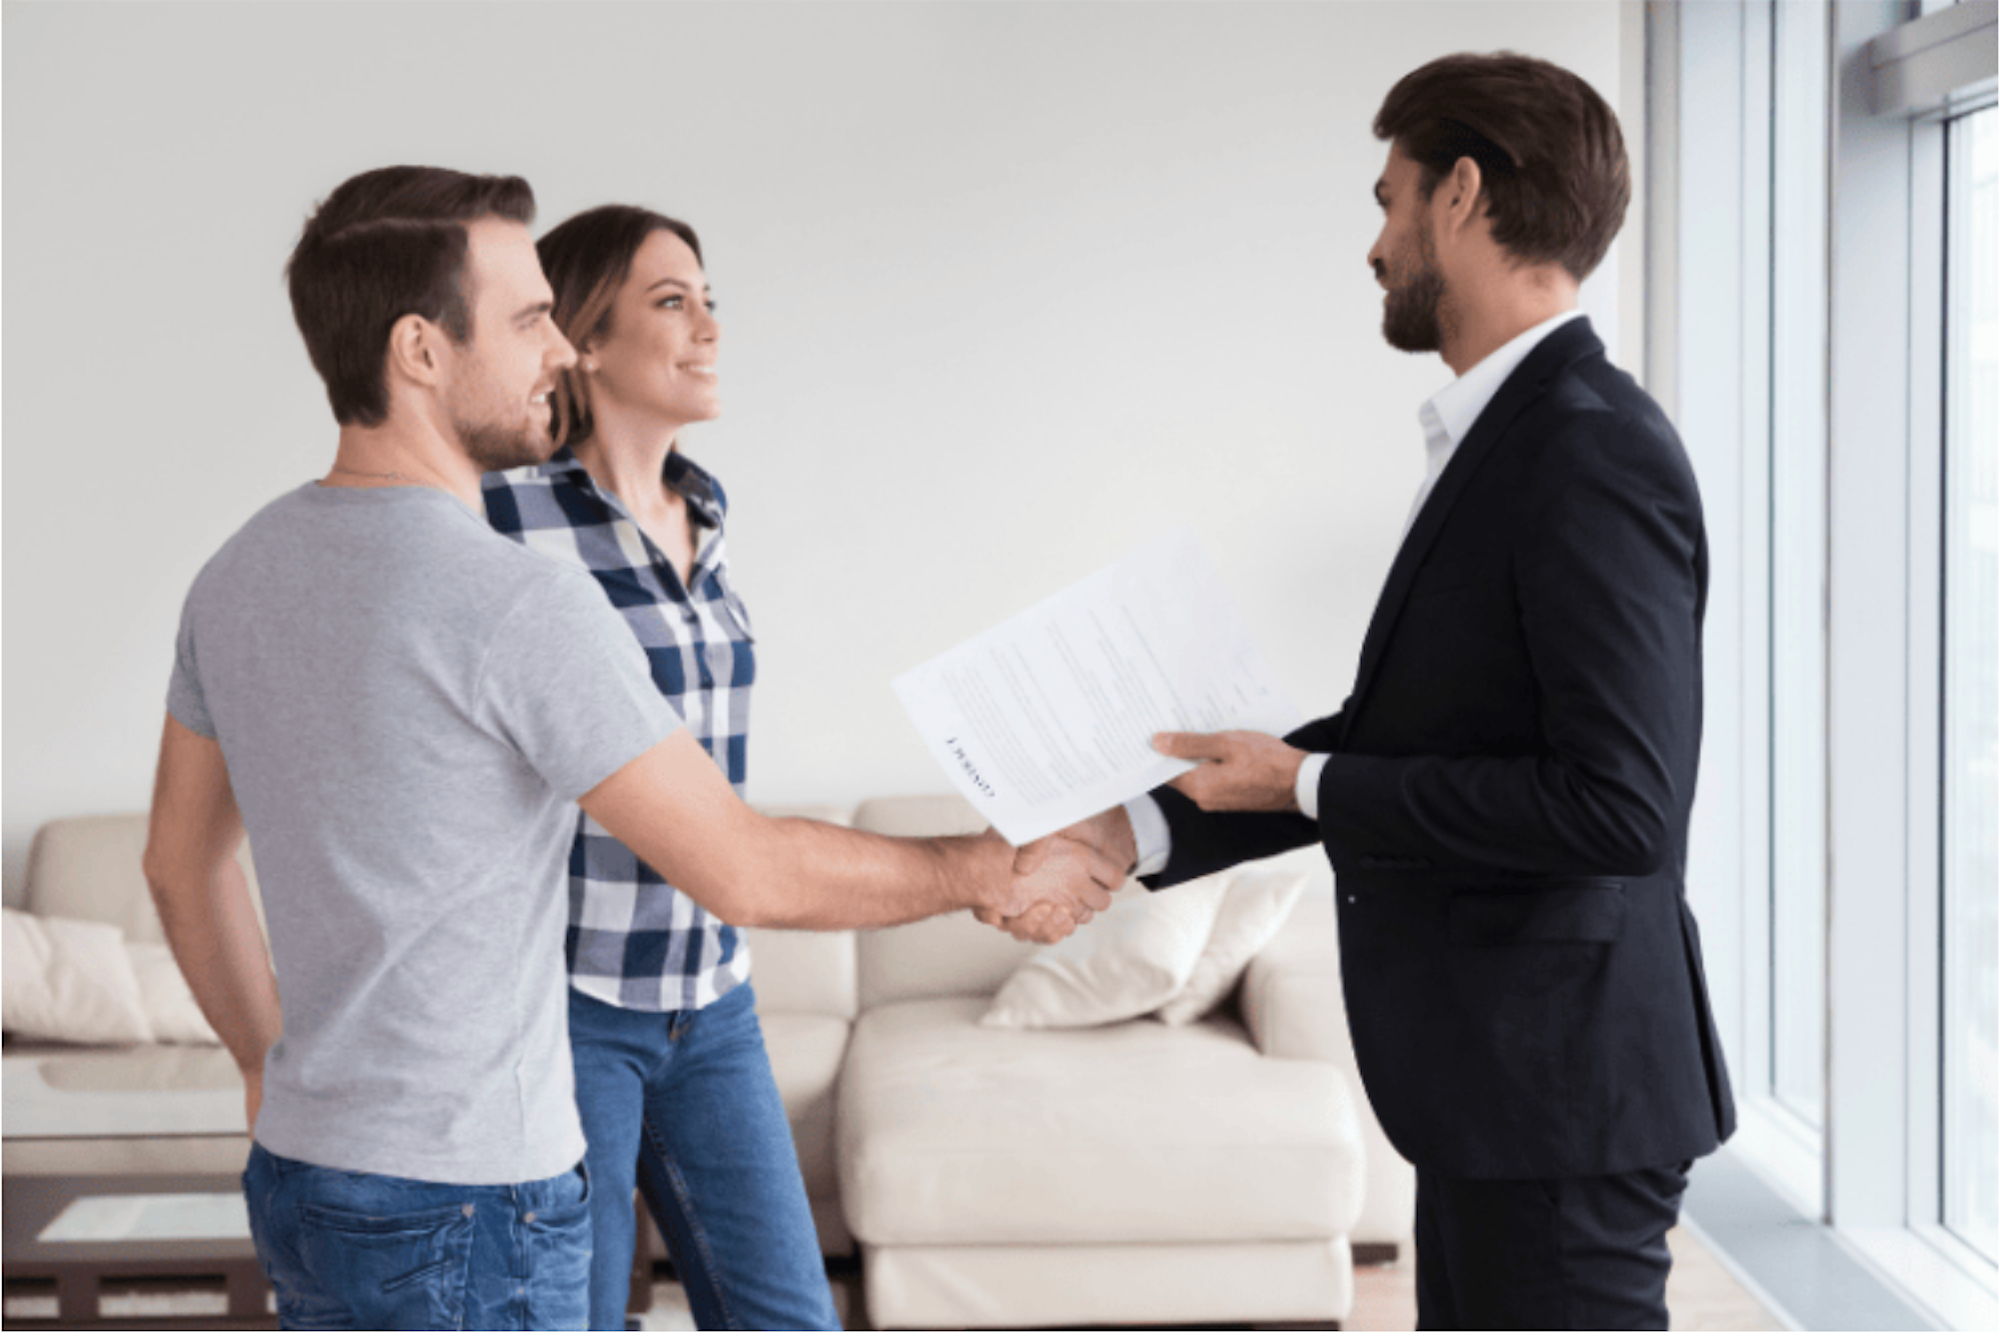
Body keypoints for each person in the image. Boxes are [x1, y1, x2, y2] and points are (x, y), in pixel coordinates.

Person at [141, 165, 1117, 1332]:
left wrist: (264, 1063)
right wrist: (981, 867)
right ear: (419, 350)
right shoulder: (513, 601)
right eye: (527, 318)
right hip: (470, 1197)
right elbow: (742, 868)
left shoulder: (237, 573)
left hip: (307, 1171)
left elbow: (178, 863)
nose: (557, 350)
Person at [1009, 53, 1735, 1330]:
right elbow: (1420, 742)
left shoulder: (1586, 446)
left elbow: (1617, 807)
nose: (1374, 245)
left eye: (1386, 199)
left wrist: (1304, 779)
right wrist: (1137, 827)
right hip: (1498, 1091)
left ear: (1460, 195)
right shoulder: (1512, 437)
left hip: (1559, 1096)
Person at [480, 204, 830, 1330]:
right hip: (564, 1005)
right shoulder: (503, 519)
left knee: (788, 1320)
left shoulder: (707, 515)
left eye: (709, 299)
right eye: (670, 302)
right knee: (571, 1322)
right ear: (581, 337)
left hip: (709, 1002)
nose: (708, 327)